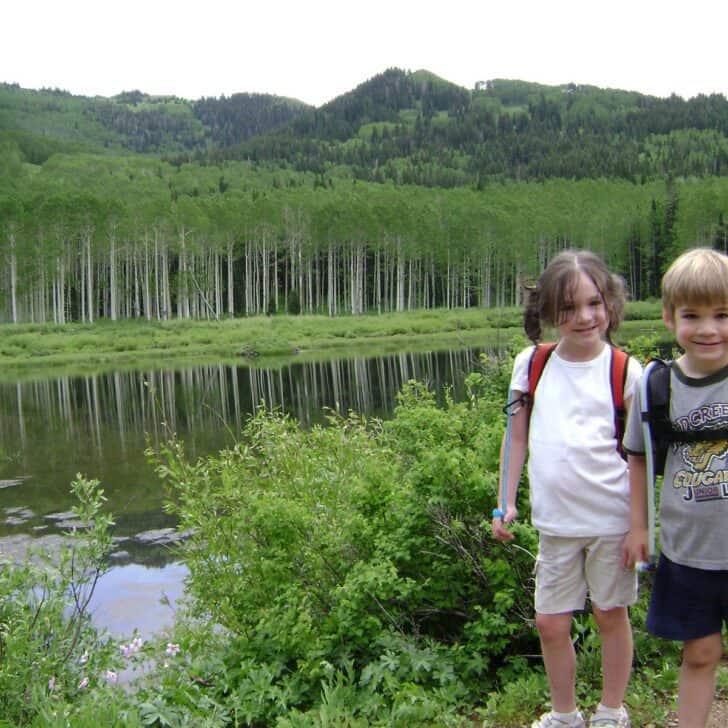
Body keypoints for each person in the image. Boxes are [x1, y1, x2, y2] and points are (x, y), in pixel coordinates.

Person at [492, 249, 642, 728]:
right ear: (548, 314)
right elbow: (516, 436)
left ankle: (611, 711)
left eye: (594, 303)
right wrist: (505, 501)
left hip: (612, 522)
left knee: (609, 613)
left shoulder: (625, 371)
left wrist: (640, 524)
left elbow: (640, 457)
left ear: (610, 304)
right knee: (550, 622)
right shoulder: (531, 365)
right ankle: (564, 715)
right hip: (555, 524)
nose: (584, 317)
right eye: (568, 308)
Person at [622, 247, 728, 728]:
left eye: (723, 315)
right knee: (701, 651)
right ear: (669, 318)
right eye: (693, 315)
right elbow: (639, 459)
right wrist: (638, 527)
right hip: (690, 551)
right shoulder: (654, 387)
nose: (708, 329)